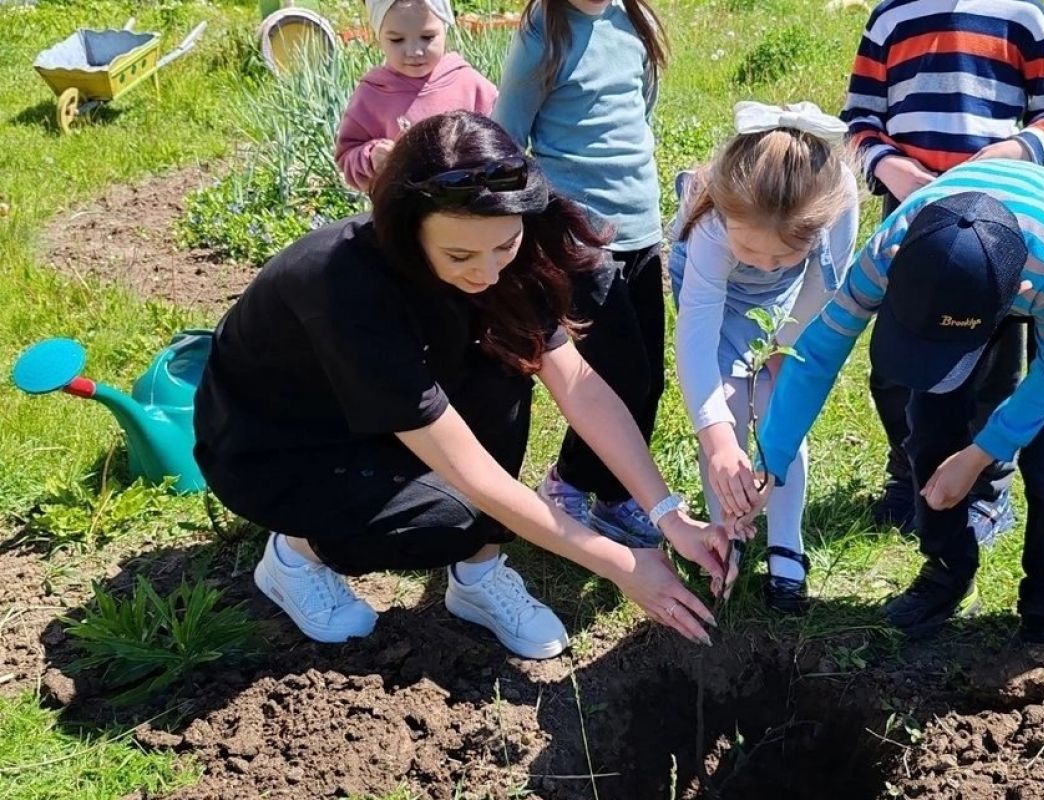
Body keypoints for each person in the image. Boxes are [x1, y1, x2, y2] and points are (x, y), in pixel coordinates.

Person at [195, 111, 735, 659]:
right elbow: (471, 475)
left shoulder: (505, 261)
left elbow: (578, 384)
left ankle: (477, 576)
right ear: (408, 229)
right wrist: (620, 565)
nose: (487, 272)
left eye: (506, 245)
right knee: (456, 516)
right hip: (279, 444)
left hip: (375, 408)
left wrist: (670, 516)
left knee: (508, 356)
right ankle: (295, 554)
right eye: (459, 255)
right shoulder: (344, 288)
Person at [758, 159, 1044, 649]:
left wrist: (980, 455)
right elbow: (818, 351)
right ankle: (947, 570)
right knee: (929, 424)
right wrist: (771, 461)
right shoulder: (891, 249)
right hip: (964, 266)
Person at [840, 0, 1044, 544]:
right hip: (911, 214)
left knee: (993, 366)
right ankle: (909, 473)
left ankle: (987, 488)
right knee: (899, 359)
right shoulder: (890, 18)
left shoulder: (1024, 15)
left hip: (996, 219)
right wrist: (893, 169)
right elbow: (858, 120)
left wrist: (1013, 152)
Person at [667, 101, 858, 613]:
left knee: (780, 412)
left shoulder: (834, 206)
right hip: (715, 298)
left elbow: (824, 284)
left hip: (789, 304)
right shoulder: (712, 223)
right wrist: (718, 437)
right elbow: (697, 334)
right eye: (752, 252)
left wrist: (781, 346)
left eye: (782, 255)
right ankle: (726, 534)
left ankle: (785, 544)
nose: (766, 262)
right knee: (726, 409)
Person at [493, 0, 669, 548]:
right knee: (620, 377)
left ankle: (613, 496)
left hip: (641, 230)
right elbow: (506, 138)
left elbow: (637, 116)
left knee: (650, 380)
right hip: (579, 237)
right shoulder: (543, 37)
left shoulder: (633, 22)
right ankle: (572, 480)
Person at [335, 0, 498, 192]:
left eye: (427, 37)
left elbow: (504, 139)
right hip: (403, 213)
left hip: (469, 208)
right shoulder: (372, 94)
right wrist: (371, 158)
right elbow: (347, 155)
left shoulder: (469, 84)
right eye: (397, 40)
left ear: (445, 28)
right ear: (378, 35)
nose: (414, 51)